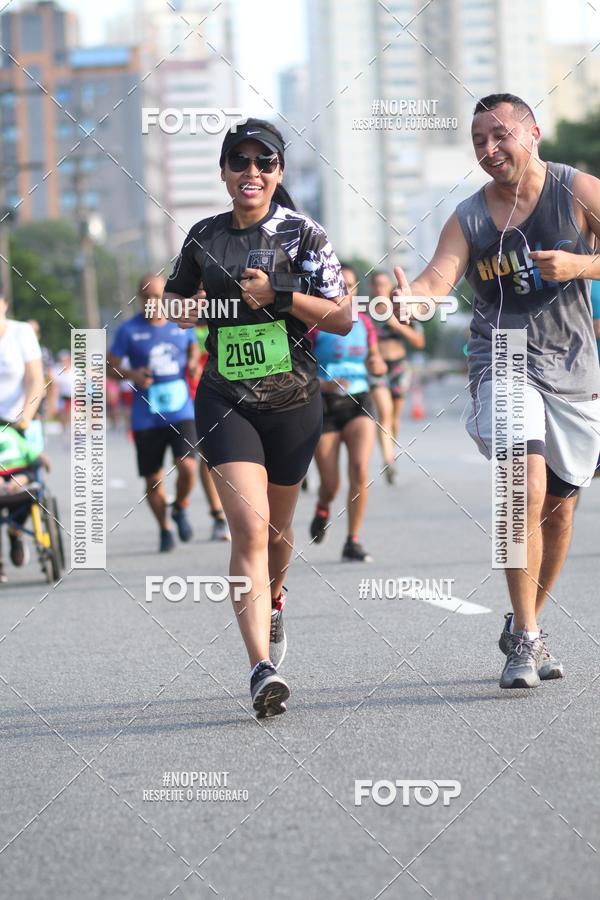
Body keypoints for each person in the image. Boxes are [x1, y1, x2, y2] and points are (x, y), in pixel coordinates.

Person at [392, 93, 600, 689]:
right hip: (500, 356)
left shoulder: (576, 191)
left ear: (533, 133)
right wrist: (415, 300)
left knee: (560, 510)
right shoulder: (471, 216)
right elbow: (438, 277)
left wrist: (578, 267)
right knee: (522, 485)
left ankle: (524, 621)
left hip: (573, 366)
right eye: (478, 140)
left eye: (499, 135)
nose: (488, 149)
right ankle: (527, 642)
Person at [164, 118, 351, 717]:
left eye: (263, 162)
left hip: (295, 403)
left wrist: (280, 297)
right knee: (247, 527)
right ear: (223, 173)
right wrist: (175, 306)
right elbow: (173, 303)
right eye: (239, 162)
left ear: (278, 172)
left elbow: (343, 318)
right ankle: (259, 668)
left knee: (275, 531)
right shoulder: (203, 236)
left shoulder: (303, 234)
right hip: (225, 399)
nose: (251, 172)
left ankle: (273, 600)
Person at [108, 274, 200, 552]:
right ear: (139, 298)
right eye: (147, 297)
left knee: (188, 466)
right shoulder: (128, 331)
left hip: (180, 409)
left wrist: (194, 363)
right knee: (153, 478)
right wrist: (131, 373)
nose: (152, 303)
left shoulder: (180, 323)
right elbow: (109, 367)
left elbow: (193, 347)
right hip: (146, 415)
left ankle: (181, 506)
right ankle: (164, 527)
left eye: (158, 297)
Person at [309, 263, 386, 561]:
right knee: (331, 484)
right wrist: (324, 385)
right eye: (340, 284)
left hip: (359, 401)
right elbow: (297, 371)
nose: (346, 290)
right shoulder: (314, 325)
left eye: (351, 285)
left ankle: (352, 539)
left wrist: (377, 366)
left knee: (359, 470)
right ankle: (323, 505)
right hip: (325, 406)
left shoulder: (365, 323)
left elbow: (375, 360)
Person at [367, 271, 425, 484]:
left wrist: (396, 324)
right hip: (378, 367)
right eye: (377, 285)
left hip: (400, 366)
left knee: (395, 419)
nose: (381, 289)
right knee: (384, 413)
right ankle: (388, 460)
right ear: (372, 288)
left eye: (385, 285)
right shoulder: (367, 313)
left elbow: (419, 342)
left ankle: (391, 451)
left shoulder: (402, 310)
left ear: (390, 287)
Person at [0, 296, 44, 569]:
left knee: (26, 480)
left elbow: (35, 378)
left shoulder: (21, 332)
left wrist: (25, 417)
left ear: (4, 303)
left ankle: (16, 530)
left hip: (20, 420)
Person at [185, 315, 231, 541]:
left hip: (230, 390)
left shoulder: (229, 312)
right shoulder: (186, 322)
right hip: (197, 394)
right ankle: (218, 515)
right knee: (208, 455)